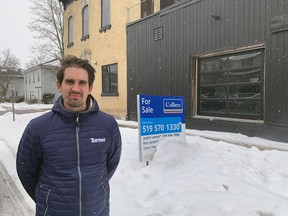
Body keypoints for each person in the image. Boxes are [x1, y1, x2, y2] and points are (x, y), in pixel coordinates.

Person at [16, 55, 122, 216]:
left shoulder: (108, 125)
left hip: (96, 211)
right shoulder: (38, 127)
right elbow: (26, 172)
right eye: (69, 81)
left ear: (90, 87)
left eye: (82, 83)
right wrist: (48, 199)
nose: (76, 88)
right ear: (59, 85)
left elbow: (110, 165)